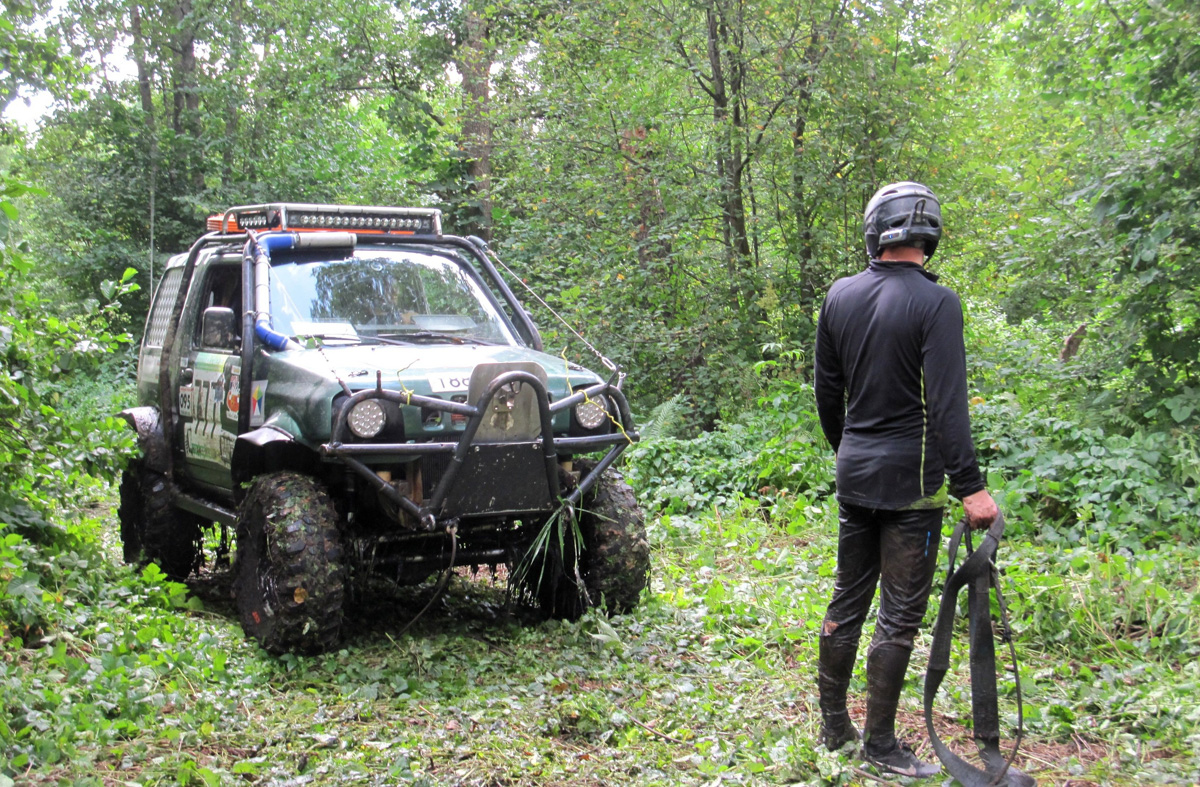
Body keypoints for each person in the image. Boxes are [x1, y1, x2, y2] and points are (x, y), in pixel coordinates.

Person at [813, 181, 998, 778]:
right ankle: (880, 746)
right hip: (912, 484)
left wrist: (850, 451)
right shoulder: (937, 303)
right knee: (897, 615)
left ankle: (833, 727)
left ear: (875, 230)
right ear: (928, 236)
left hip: (855, 471)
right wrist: (971, 488)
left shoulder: (839, 296)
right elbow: (948, 408)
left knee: (848, 595)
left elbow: (827, 393)